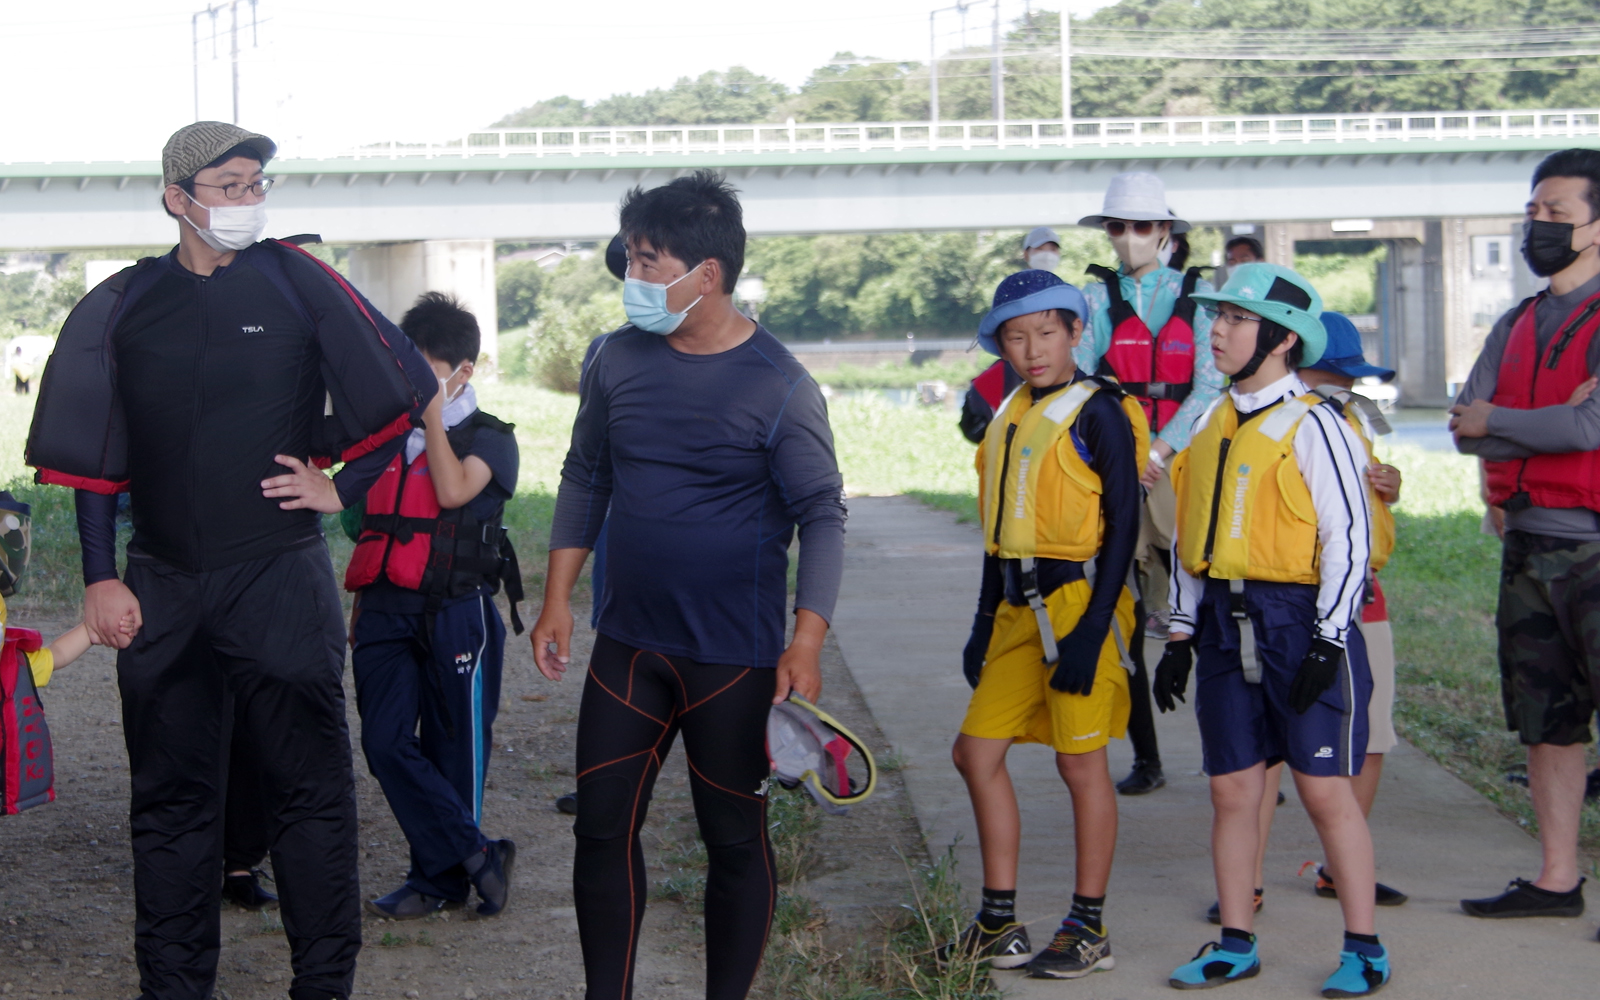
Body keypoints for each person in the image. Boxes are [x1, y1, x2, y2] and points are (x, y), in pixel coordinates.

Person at [25, 121, 437, 1000]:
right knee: (171, 805)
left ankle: (322, 986)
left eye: (257, 186)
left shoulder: (299, 280)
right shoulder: (123, 302)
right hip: (163, 582)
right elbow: (93, 452)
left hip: (278, 577)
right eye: (230, 186)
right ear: (179, 198)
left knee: (310, 794)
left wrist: (346, 484)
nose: (249, 201)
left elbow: (403, 382)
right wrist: (101, 575)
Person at [530, 170, 846, 1000]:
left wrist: (805, 641)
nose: (631, 277)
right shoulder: (614, 357)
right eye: (630, 259)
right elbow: (585, 475)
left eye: (645, 262)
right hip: (630, 646)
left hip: (732, 662)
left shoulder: (778, 385)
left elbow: (823, 515)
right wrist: (559, 597)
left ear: (705, 273)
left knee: (733, 839)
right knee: (601, 831)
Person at [1154, 263, 1390, 996]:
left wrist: (1327, 637)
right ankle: (1234, 942)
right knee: (1232, 790)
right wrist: (1182, 634)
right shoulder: (1208, 421)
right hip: (1225, 620)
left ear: (1283, 339)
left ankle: (1363, 948)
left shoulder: (1318, 424)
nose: (1216, 332)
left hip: (1298, 621)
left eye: (1234, 320)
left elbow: (1348, 540)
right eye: (1215, 318)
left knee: (1324, 792)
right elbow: (1191, 535)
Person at [944, 270, 1146, 980]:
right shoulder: (1007, 415)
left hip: (1079, 604)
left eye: (1045, 333)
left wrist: (1095, 630)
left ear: (1074, 332)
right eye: (1015, 337)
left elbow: (1124, 527)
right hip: (1013, 609)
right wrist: (979, 620)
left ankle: (1087, 926)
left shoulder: (1100, 412)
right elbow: (999, 530)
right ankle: (999, 922)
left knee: (1079, 762)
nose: (1031, 350)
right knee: (975, 752)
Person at [1205, 312, 1408, 924]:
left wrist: (1390, 486)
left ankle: (1341, 881)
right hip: (1275, 610)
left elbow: (1356, 527)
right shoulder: (1248, 419)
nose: (1344, 386)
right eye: (1334, 374)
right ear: (1294, 357)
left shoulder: (1340, 423)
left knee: (1360, 745)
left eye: (1352, 379)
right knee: (1251, 767)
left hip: (1355, 608)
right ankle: (1250, 886)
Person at [1450, 147, 1600, 934]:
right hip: (1530, 545)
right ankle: (1557, 877)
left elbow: (1590, 424)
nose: (1536, 226)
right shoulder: (1514, 321)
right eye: (1533, 211)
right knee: (1547, 720)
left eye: (1556, 214)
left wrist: (1503, 423)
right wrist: (1525, 427)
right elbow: (1462, 426)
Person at [346, 292, 521, 919]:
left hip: (458, 612)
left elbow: (451, 491)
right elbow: (360, 520)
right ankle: (478, 854)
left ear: (461, 371)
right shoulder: (384, 439)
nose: (410, 382)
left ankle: (437, 880)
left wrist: (431, 420)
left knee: (455, 751)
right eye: (404, 368)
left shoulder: (492, 440)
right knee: (385, 742)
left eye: (423, 369)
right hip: (386, 607)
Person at [1078, 171, 1226, 796]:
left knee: (1217, 612)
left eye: (1143, 227)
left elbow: (1211, 385)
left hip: (1186, 464)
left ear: (1165, 231)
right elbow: (1085, 382)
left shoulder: (1203, 299)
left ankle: (1242, 756)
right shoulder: (1091, 301)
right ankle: (1147, 757)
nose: (1131, 238)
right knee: (1125, 613)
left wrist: (1162, 450)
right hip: (1123, 470)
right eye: (1119, 227)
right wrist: (1127, 455)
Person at [957, 227, 1059, 444]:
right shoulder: (1012, 292)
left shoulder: (1065, 293)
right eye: (1041, 248)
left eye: (1052, 248)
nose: (1034, 350)